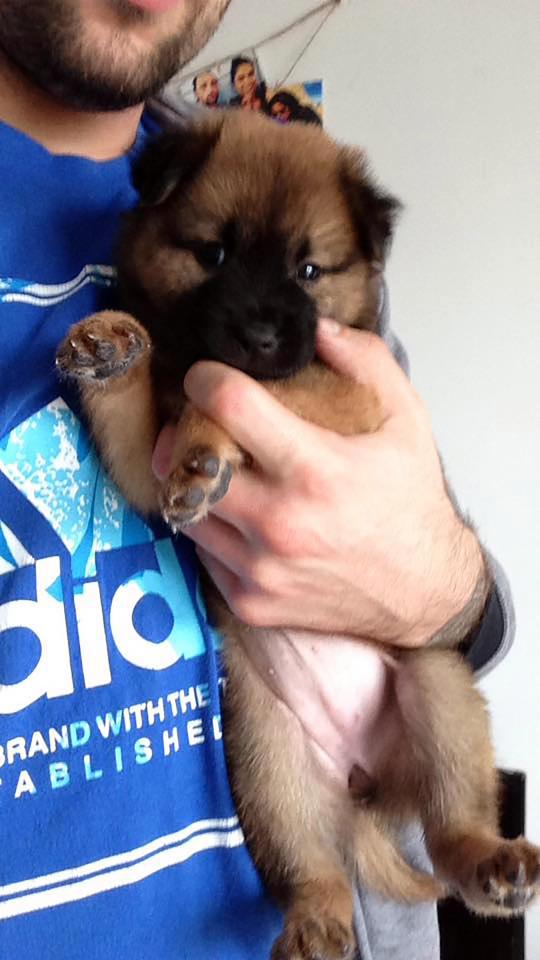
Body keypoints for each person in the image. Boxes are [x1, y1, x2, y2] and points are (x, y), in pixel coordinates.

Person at [0, 2, 513, 959]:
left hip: (380, 740)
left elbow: (458, 590)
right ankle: (316, 889)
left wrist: (445, 593)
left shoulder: (326, 285)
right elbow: (150, 478)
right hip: (267, 710)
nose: (266, 312)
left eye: (311, 273)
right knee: (262, 718)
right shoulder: (179, 206)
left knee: (434, 685)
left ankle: (461, 844)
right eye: (215, 256)